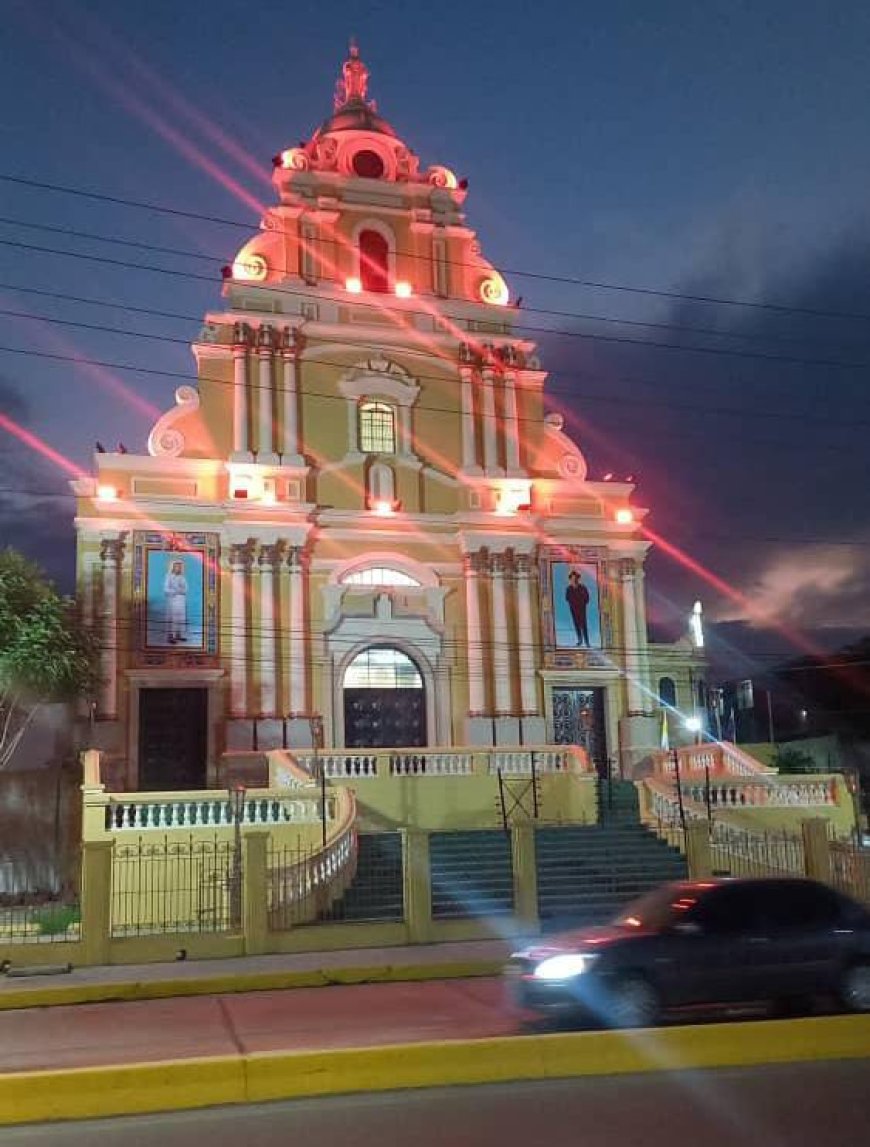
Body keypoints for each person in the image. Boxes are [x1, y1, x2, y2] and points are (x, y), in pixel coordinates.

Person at [164, 558, 188, 645]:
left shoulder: (182, 577)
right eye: (176, 566)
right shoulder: (169, 576)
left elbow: (185, 589)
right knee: (173, 618)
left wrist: (181, 590)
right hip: (173, 600)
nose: (178, 568)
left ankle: (179, 635)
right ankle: (171, 636)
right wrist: (175, 591)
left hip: (181, 600)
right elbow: (166, 589)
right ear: (173, 567)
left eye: (180, 567)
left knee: (181, 618)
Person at [565, 569, 590, 646]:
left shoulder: (583, 587)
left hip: (582, 609)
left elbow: (587, 598)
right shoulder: (568, 589)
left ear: (578, 579)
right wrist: (572, 604)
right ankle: (580, 640)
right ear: (570, 579)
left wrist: (582, 603)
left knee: (583, 625)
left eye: (575, 578)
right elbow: (567, 598)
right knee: (576, 624)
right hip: (573, 609)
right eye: (572, 578)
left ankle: (586, 641)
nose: (574, 580)